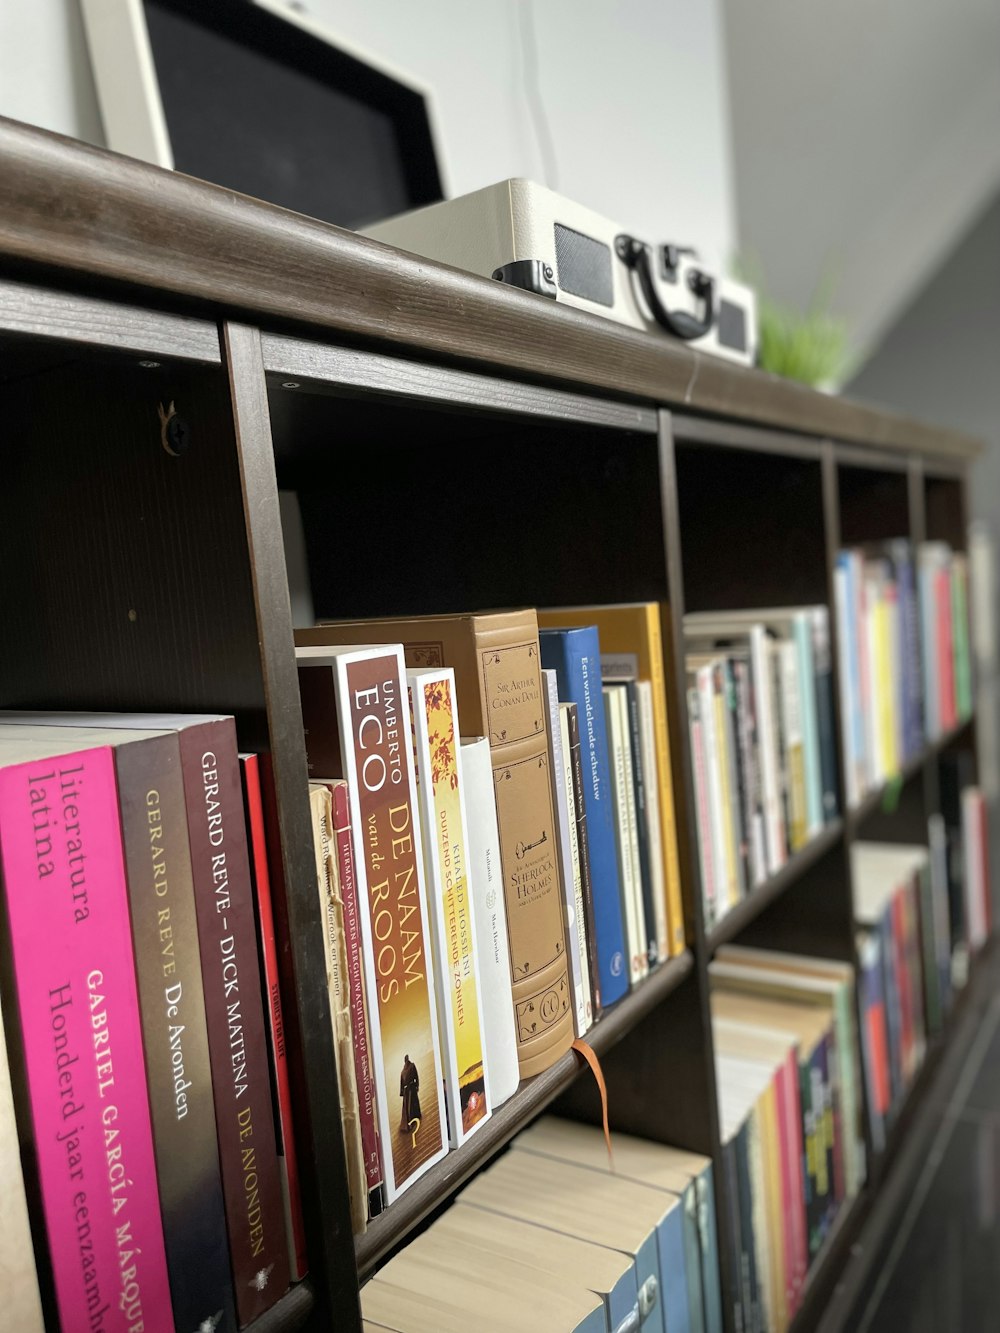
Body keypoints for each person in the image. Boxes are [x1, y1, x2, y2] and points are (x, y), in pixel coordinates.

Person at [399, 1053, 422, 1131]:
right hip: (410, 1089)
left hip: (409, 1089)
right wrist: (417, 1085)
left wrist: (402, 1092)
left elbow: (415, 1076)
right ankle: (414, 1117)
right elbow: (416, 1076)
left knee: (411, 1104)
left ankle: (415, 1116)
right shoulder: (404, 1071)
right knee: (411, 1105)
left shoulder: (404, 1070)